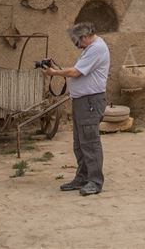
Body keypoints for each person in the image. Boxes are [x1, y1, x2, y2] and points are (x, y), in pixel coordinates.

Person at [41, 22, 110, 196]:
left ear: (85, 36)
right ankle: (82, 178)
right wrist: (56, 69)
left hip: (90, 102)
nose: (77, 46)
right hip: (83, 102)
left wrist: (54, 73)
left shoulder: (97, 48)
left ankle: (95, 181)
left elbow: (76, 73)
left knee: (90, 142)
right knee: (80, 143)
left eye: (77, 42)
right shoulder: (90, 49)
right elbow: (75, 71)